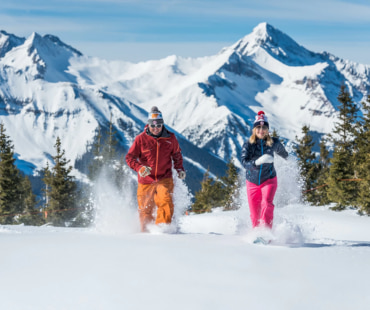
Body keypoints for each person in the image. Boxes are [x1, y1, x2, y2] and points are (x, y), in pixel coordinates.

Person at [126, 106, 186, 232]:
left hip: (164, 177)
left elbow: (176, 155)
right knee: (145, 209)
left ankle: (162, 231)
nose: (155, 128)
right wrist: (140, 168)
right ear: (148, 125)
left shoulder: (171, 138)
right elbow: (129, 158)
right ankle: (146, 233)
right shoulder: (141, 139)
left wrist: (179, 169)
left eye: (158, 125)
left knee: (166, 202)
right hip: (145, 180)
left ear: (162, 124)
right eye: (152, 125)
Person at [241, 111, 288, 230]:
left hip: (269, 179)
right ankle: (256, 233)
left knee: (267, 204)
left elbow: (284, 154)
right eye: (258, 127)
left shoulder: (274, 143)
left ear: (268, 130)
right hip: (252, 182)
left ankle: (266, 233)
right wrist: (257, 162)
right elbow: (244, 163)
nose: (261, 130)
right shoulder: (249, 145)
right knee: (254, 213)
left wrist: (292, 161)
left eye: (264, 127)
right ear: (254, 129)